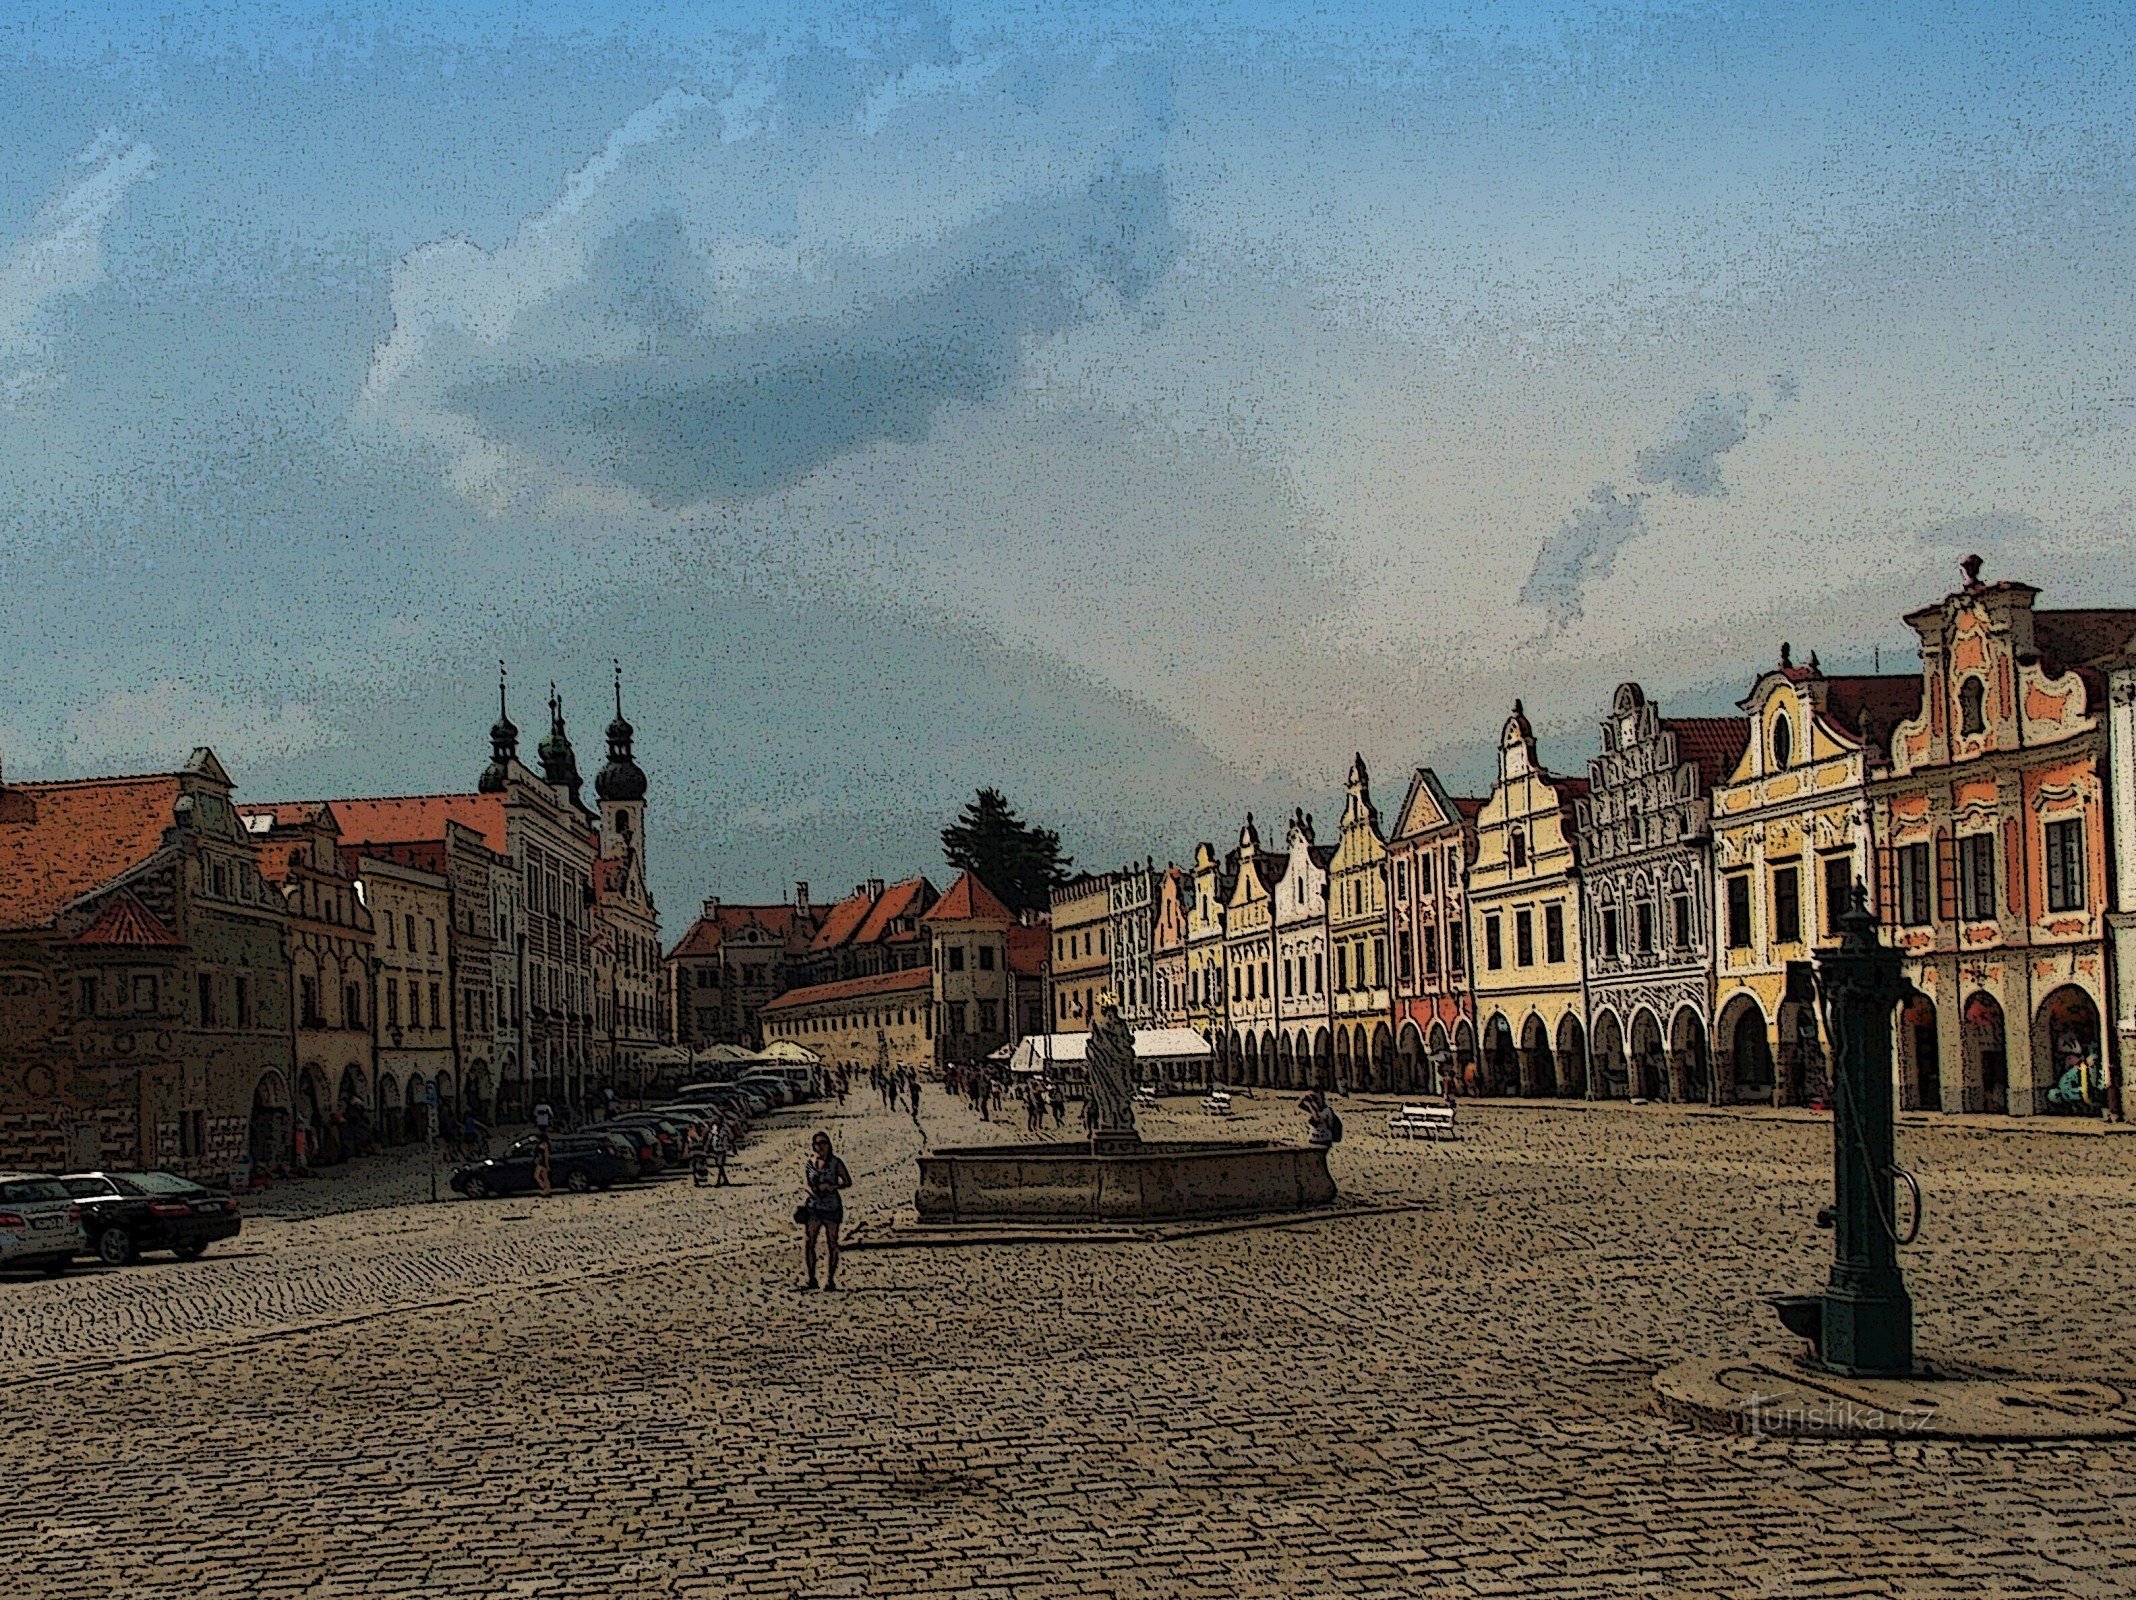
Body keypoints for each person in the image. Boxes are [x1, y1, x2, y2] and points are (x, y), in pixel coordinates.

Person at [801, 1131, 852, 1290]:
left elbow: (847, 1181)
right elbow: (805, 1182)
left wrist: (831, 1187)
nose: (821, 1146)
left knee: (832, 1243)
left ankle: (830, 1279)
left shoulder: (836, 1162)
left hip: (831, 1207)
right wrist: (812, 1191)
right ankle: (811, 1278)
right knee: (809, 1242)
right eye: (818, 1143)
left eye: (824, 1143)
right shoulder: (810, 1162)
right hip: (814, 1207)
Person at [534, 1127, 553, 1197]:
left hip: (543, 1163)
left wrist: (547, 1164)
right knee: (543, 1177)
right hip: (541, 1162)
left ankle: (546, 1189)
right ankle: (547, 1190)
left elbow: (546, 1155)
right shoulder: (543, 1144)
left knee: (539, 1176)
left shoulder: (545, 1145)